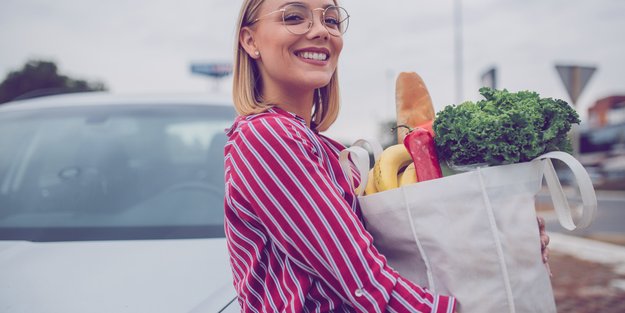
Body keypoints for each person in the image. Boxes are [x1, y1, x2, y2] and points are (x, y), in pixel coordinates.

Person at [223, 1, 550, 312]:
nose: (321, 30)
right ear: (250, 40)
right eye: (294, 17)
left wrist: (501, 242)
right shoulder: (265, 137)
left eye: (332, 20)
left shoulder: (333, 152)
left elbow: (397, 252)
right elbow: (361, 280)